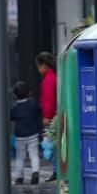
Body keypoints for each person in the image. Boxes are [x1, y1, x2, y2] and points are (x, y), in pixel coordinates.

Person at [10, 81, 42, 185]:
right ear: (29, 93)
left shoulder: (15, 108)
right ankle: (35, 172)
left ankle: (19, 177)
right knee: (34, 155)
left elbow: (12, 117)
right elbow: (39, 111)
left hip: (20, 136)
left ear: (15, 96)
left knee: (20, 157)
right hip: (33, 134)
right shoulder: (33, 104)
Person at [36, 51, 58, 181]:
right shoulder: (54, 77)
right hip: (54, 114)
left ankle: (56, 171)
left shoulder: (48, 79)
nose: (38, 70)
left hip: (51, 116)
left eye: (38, 67)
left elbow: (48, 99)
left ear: (44, 65)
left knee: (51, 146)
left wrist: (47, 116)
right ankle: (56, 170)